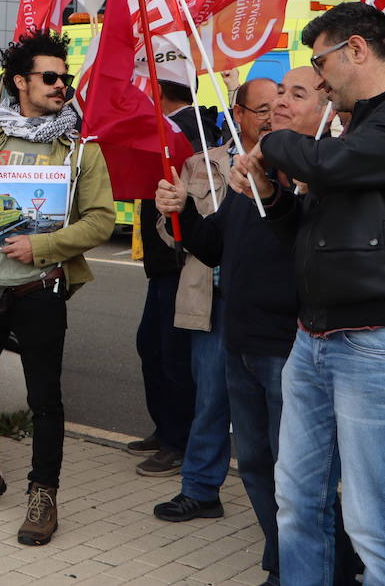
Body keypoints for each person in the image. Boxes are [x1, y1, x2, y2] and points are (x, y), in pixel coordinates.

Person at [230, 2, 385, 585]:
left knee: (375, 522)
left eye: (321, 62)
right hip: (313, 336)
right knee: (298, 503)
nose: (320, 77)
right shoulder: (359, 126)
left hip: (376, 340)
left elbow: (335, 163)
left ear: (357, 50)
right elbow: (310, 233)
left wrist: (271, 144)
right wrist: (275, 195)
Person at [0, 29, 114, 547]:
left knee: (45, 400)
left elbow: (101, 221)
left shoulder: (80, 152)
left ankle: (43, 495)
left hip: (40, 290)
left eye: (67, 78)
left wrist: (41, 248)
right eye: (51, 77)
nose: (63, 86)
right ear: (20, 82)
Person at [154, 70, 323, 585]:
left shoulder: (311, 173)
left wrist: (278, 184)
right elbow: (215, 245)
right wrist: (180, 211)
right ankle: (280, 559)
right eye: (273, 101)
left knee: (294, 474)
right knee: (253, 465)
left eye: (293, 96)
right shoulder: (248, 173)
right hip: (240, 341)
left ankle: (305, 566)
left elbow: (298, 235)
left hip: (288, 347)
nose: (278, 107)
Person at [147, 77, 276, 525]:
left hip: (267, 308)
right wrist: (173, 209)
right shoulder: (201, 162)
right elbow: (173, 237)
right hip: (213, 302)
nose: (268, 115)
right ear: (236, 114)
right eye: (259, 108)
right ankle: (201, 490)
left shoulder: (287, 165)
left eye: (275, 105)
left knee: (272, 409)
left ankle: (287, 502)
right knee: (210, 400)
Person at [128, 78, 218, 477]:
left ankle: (177, 441)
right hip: (163, 264)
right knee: (152, 347)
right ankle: (165, 428)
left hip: (179, 263)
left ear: (159, 93)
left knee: (173, 357)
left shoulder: (186, 130)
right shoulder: (175, 126)